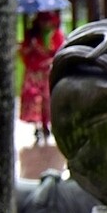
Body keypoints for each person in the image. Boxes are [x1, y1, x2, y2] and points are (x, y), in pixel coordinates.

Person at [19, 10, 64, 144]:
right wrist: (30, 48)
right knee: (34, 98)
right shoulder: (31, 35)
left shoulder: (56, 35)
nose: (46, 24)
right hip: (34, 73)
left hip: (47, 72)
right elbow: (23, 51)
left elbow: (59, 52)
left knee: (48, 99)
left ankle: (46, 124)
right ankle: (37, 125)